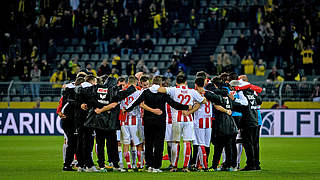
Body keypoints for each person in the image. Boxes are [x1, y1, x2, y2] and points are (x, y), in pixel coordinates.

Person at [125, 76, 191, 173]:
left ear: (152, 82)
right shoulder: (162, 93)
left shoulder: (146, 92)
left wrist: (127, 109)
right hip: (160, 121)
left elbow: (136, 102)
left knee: (148, 143)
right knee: (158, 144)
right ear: (161, 84)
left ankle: (150, 165)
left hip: (148, 121)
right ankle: (156, 166)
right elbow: (173, 104)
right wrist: (186, 106)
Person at [153, 74, 207, 172]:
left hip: (176, 119)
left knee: (175, 143)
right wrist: (190, 111)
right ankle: (185, 167)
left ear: (177, 82)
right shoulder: (192, 91)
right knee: (187, 143)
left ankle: (174, 166)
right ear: (186, 82)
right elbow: (203, 101)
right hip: (188, 119)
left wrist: (156, 85)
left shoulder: (174, 89)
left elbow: (160, 90)